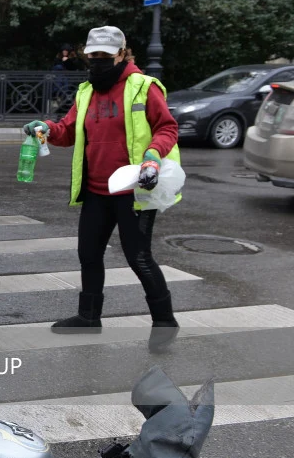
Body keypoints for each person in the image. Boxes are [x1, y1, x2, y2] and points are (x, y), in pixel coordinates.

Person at [23, 25, 181, 353]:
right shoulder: (86, 92)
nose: (98, 62)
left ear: (122, 54)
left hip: (135, 190)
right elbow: (67, 131)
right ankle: (88, 317)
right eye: (93, 56)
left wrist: (152, 158)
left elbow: (166, 127)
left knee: (139, 257)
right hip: (97, 190)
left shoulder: (142, 87)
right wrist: (45, 129)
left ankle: (165, 323)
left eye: (105, 56)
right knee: (89, 255)